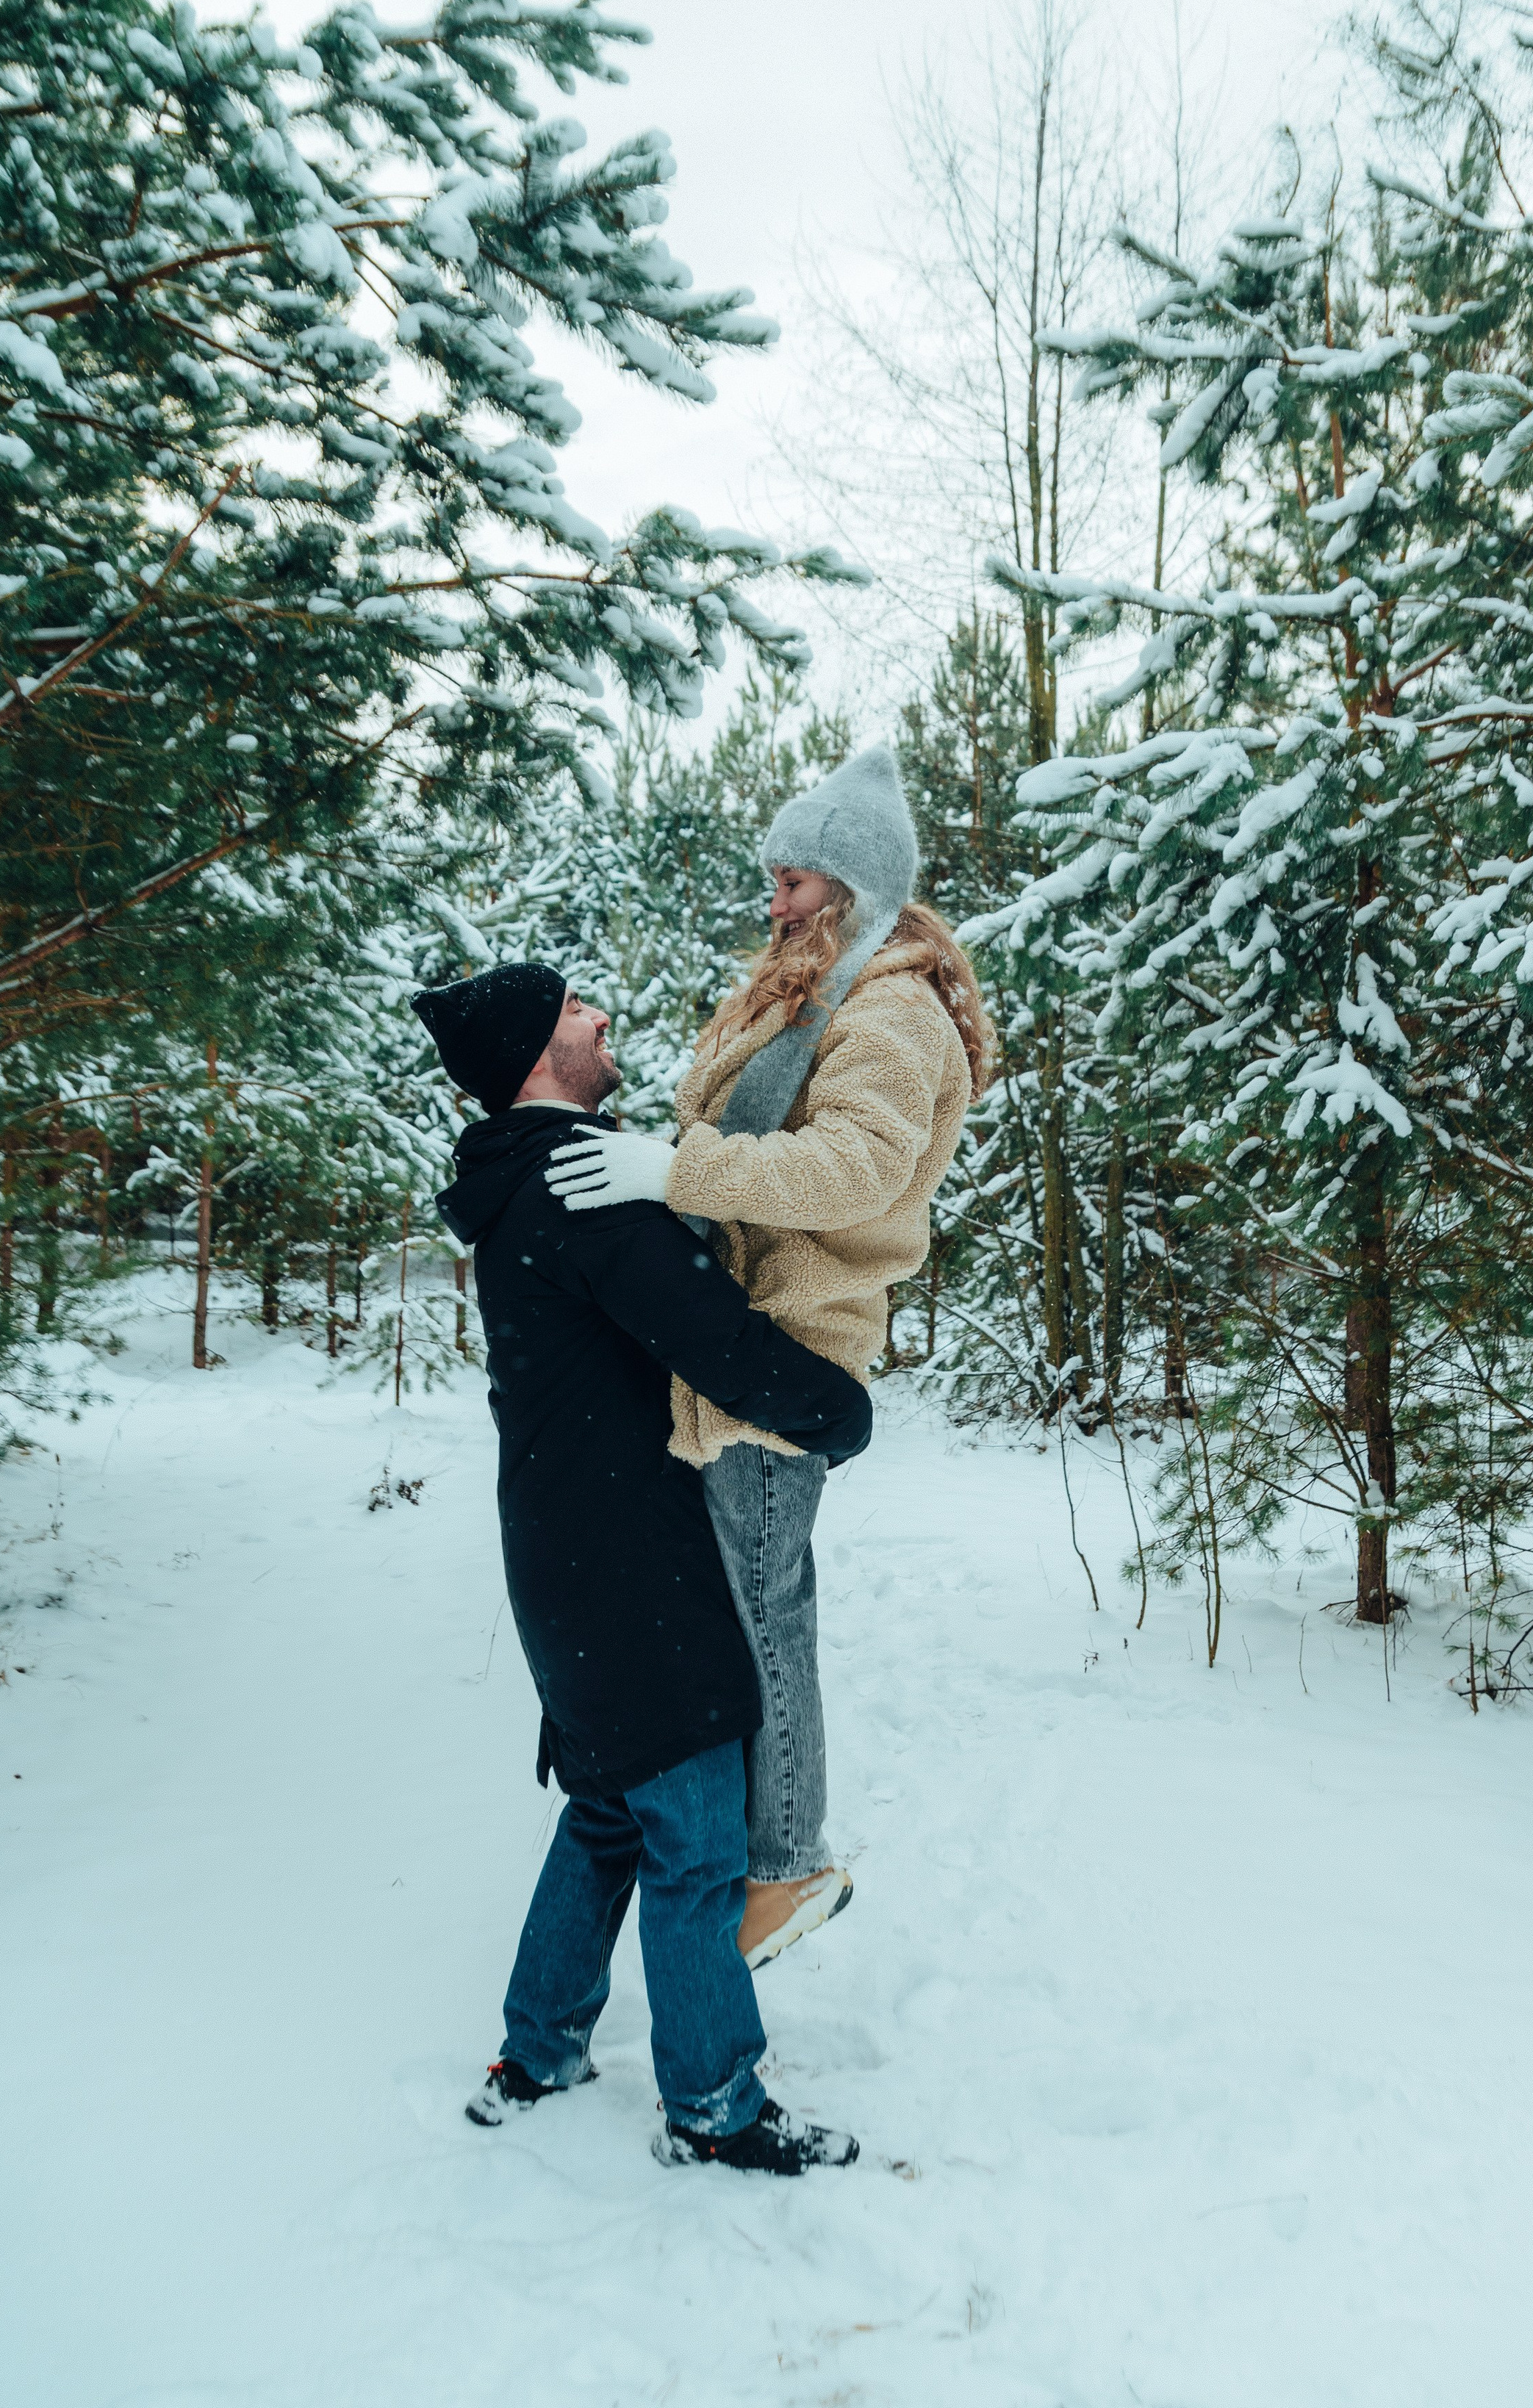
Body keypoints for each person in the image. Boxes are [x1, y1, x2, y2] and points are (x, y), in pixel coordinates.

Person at [414, 957, 872, 2176]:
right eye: (571, 1010)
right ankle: (715, 2103)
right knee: (695, 1837)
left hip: (559, 1554)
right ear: (532, 1052)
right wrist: (836, 1411)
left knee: (611, 1805)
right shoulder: (576, 1186)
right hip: (627, 1560)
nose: (598, 1014)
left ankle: (538, 2046)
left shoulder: (518, 1182)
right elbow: (709, 1336)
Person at [547, 745, 992, 1969]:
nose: (776, 900)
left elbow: (852, 1168)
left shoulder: (892, 1007)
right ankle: (750, 1850)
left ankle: (787, 1865)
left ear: (850, 888)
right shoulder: (805, 995)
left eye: (795, 880)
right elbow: (717, 1127)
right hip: (724, 1339)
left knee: (763, 1618)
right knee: (734, 1612)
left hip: (783, 1349)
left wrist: (672, 1171)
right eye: (777, 877)